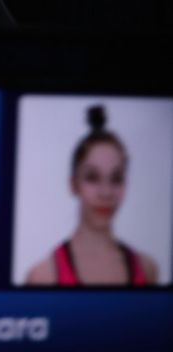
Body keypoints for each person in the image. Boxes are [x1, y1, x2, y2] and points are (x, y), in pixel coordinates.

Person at [25, 104, 158, 286]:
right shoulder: (43, 275)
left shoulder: (147, 268)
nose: (106, 193)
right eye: (92, 177)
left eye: (116, 179)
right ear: (73, 184)